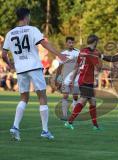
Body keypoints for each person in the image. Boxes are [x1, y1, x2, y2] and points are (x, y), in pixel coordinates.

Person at [1, 8, 67, 141]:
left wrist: (10, 64)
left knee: (23, 98)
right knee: (42, 97)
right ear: (27, 16)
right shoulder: (32, 29)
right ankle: (45, 130)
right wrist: (59, 54)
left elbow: (3, 54)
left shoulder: (10, 33)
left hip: (20, 69)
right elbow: (44, 43)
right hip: (34, 67)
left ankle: (15, 126)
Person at [64, 35, 102, 130]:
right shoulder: (92, 53)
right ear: (95, 42)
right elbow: (98, 67)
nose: (98, 43)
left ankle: (95, 125)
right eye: (97, 41)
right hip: (86, 80)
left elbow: (77, 66)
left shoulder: (82, 51)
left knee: (92, 102)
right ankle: (69, 122)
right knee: (83, 100)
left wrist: (72, 80)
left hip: (85, 79)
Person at [55, 37, 80, 120]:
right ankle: (64, 115)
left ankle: (74, 109)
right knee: (65, 95)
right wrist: (57, 78)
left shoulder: (78, 53)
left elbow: (80, 66)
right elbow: (59, 67)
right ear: (66, 43)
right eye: (69, 42)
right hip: (66, 77)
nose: (71, 44)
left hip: (76, 77)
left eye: (72, 43)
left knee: (75, 96)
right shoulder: (62, 54)